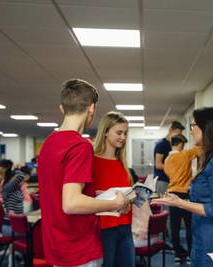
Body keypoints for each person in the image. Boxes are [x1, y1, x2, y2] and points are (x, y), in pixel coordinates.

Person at [38, 79, 130, 267]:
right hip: (79, 247)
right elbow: (71, 203)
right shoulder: (80, 146)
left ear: (62, 108)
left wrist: (97, 196)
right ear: (91, 108)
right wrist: (115, 203)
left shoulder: (48, 143)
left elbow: (61, 192)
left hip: (58, 247)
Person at [154, 107, 213, 267]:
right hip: (202, 235)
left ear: (207, 128)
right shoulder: (210, 159)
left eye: (193, 125)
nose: (191, 130)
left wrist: (179, 202)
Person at [92, 111, 135, 267]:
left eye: (125, 133)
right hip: (103, 229)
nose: (123, 137)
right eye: (119, 132)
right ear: (105, 132)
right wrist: (99, 195)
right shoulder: (92, 161)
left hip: (125, 226)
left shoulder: (122, 163)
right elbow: (85, 196)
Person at [163, 134, 201, 264]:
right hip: (185, 195)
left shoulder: (167, 160)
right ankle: (190, 254)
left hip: (172, 194)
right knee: (190, 226)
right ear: (180, 144)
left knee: (175, 227)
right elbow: (201, 149)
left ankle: (178, 255)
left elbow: (168, 174)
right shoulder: (184, 155)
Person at [153, 120, 185, 195]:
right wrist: (174, 168)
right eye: (177, 133)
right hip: (162, 180)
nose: (179, 137)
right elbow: (158, 165)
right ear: (170, 130)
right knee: (165, 205)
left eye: (180, 134)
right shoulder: (162, 144)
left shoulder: (173, 145)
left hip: (170, 180)